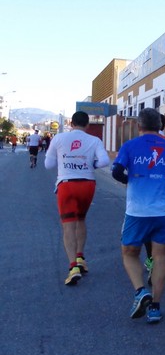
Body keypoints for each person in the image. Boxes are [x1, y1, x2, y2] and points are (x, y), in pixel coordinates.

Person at [112, 108, 165, 324]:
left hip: (137, 211)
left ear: (139, 125)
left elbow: (116, 172)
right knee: (160, 257)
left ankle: (141, 291)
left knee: (129, 253)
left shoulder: (130, 146)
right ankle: (155, 308)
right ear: (160, 125)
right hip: (164, 211)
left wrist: (131, 180)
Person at [44, 111, 110, 285]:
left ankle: (73, 267)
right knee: (81, 219)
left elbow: (48, 165)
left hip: (67, 184)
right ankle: (81, 258)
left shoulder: (59, 138)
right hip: (87, 184)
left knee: (68, 226)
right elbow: (104, 161)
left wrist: (63, 161)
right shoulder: (95, 140)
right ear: (87, 125)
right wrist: (91, 164)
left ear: (71, 124)